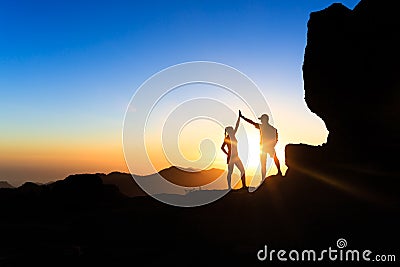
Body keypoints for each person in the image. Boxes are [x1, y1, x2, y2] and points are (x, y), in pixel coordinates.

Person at [239, 110, 282, 180]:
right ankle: (279, 172)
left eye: (261, 119)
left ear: (264, 120)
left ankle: (263, 178)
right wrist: (273, 145)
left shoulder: (262, 126)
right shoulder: (273, 129)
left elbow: (252, 122)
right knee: (274, 158)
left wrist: (243, 117)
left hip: (263, 147)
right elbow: (276, 138)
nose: (261, 121)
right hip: (269, 147)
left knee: (263, 163)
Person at [221, 113, 247, 190]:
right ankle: (229, 187)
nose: (233, 130)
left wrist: (239, 117)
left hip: (236, 157)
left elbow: (237, 126)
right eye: (231, 130)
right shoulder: (227, 138)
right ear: (229, 131)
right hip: (231, 157)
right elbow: (222, 147)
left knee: (242, 170)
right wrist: (227, 154)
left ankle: (244, 186)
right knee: (230, 172)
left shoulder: (233, 135)